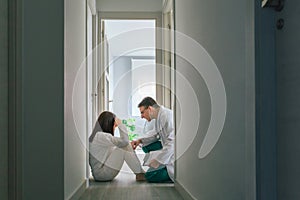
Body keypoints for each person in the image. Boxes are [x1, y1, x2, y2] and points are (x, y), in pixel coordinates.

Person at [89, 111, 145, 181]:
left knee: (125, 145)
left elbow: (121, 144)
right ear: (108, 124)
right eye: (115, 126)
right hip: (102, 174)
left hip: (99, 173)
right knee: (125, 145)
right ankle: (140, 173)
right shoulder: (101, 136)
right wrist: (121, 124)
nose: (114, 128)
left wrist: (128, 147)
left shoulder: (98, 136)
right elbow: (124, 142)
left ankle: (140, 173)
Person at [131, 97, 174, 183]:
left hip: (173, 154)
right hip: (167, 149)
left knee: (149, 176)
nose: (142, 116)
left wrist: (158, 160)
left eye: (142, 112)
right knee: (145, 146)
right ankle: (160, 165)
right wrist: (139, 140)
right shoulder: (160, 116)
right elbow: (156, 133)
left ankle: (167, 171)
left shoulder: (167, 116)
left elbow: (172, 143)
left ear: (150, 108)